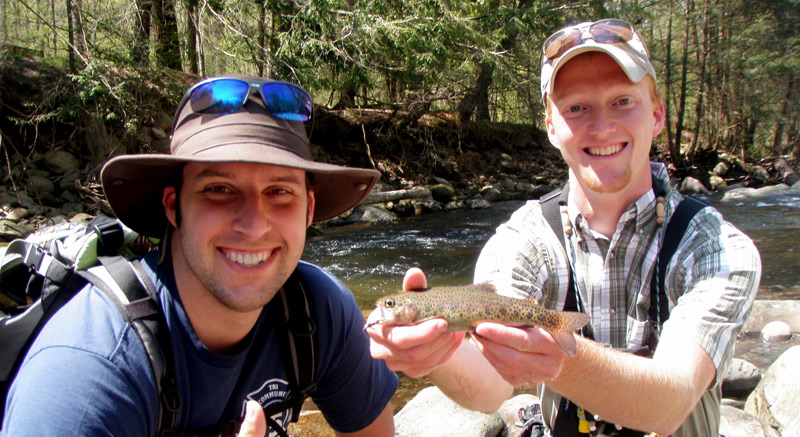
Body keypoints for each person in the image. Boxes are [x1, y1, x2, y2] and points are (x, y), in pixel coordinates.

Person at [367, 19, 761, 436]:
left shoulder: (716, 248)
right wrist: (435, 353)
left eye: (623, 100)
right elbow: (490, 388)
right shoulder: (523, 240)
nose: (602, 125)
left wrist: (555, 354)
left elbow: (670, 402)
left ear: (658, 113)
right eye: (576, 107)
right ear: (552, 126)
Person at [2, 75, 397, 436]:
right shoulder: (86, 380)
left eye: (279, 192)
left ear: (308, 210)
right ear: (173, 207)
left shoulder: (317, 312)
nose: (255, 224)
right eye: (219, 190)